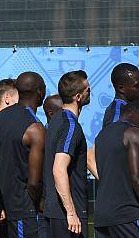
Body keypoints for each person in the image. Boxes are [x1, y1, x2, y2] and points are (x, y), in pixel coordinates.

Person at [0, 72, 47, 238]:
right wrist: (40, 203)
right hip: (23, 209)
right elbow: (34, 183)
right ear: (40, 91)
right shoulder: (35, 128)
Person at [94, 102, 139, 238]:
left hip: (102, 215)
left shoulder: (102, 135)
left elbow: (128, 165)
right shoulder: (134, 132)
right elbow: (137, 176)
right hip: (127, 214)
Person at [43, 71, 90, 237]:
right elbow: (58, 169)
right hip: (67, 216)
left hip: (56, 213)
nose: (89, 91)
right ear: (78, 96)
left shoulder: (55, 121)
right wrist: (71, 213)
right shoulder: (70, 126)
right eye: (87, 90)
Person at [102, 63, 139, 128]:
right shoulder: (117, 116)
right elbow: (113, 137)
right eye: (137, 85)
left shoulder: (130, 109)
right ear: (121, 88)